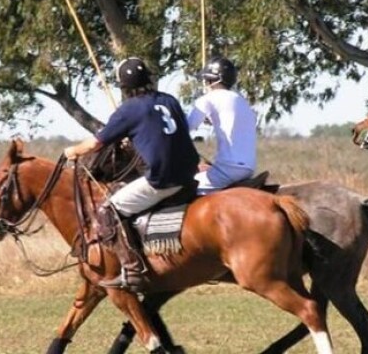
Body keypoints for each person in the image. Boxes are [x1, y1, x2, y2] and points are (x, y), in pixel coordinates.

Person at [64, 57, 199, 292]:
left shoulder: (128, 110)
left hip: (162, 179)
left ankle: (131, 269)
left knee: (107, 210)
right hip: (188, 174)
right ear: (149, 78)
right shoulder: (170, 100)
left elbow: (96, 144)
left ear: (124, 87)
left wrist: (72, 151)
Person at [187, 56, 257, 195]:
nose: (206, 83)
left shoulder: (208, 99)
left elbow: (187, 126)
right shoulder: (241, 100)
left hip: (228, 168)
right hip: (249, 167)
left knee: (185, 187)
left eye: (207, 79)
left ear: (214, 80)